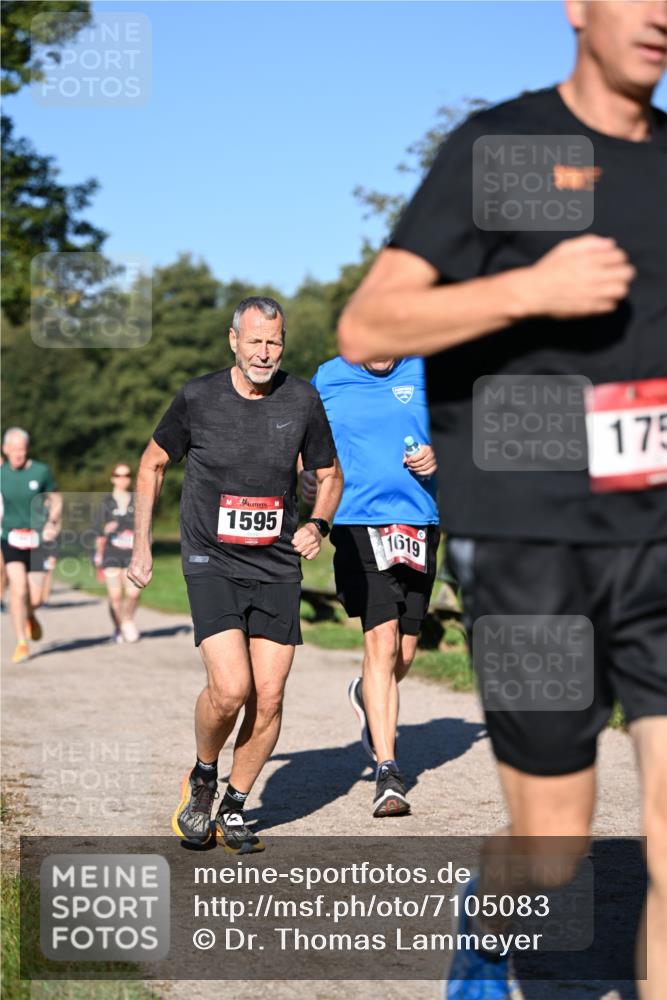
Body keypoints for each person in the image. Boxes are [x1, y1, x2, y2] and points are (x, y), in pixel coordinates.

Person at [338, 3, 666, 997]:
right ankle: (488, 930)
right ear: (576, 6)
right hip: (530, 541)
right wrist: (529, 289)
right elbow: (369, 327)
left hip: (660, 534)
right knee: (554, 848)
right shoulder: (510, 149)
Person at [128, 296, 342, 853]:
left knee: (268, 697)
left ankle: (237, 805)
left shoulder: (302, 399)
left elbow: (328, 473)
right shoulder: (198, 397)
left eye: (274, 342)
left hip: (275, 564)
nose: (265, 352)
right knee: (231, 689)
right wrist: (142, 545)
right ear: (233, 341)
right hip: (211, 559)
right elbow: (152, 463)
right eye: (255, 341)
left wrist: (318, 524)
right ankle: (203, 775)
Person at [303, 355, 439, 817]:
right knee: (380, 640)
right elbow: (307, 437)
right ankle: (388, 772)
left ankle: (367, 692)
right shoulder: (330, 376)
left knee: (403, 654)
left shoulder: (426, 370)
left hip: (418, 519)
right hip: (357, 519)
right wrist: (307, 476)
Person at [0, 428, 62, 663]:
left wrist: (52, 521)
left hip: (38, 540)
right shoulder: (1, 473)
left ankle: (31, 615)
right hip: (11, 538)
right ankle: (21, 643)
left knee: (36, 598)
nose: (18, 454)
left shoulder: (40, 471)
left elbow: (56, 499)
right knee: (19, 590)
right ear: (5, 450)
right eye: (14, 450)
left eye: (22, 449)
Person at [94, 464, 142, 643]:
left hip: (132, 555)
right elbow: (97, 531)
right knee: (115, 596)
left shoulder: (137, 500)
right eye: (119, 475)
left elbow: (146, 528)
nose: (123, 479)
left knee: (133, 594)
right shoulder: (106, 502)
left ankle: (127, 619)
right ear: (113, 478)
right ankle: (117, 627)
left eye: (126, 475)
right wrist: (98, 556)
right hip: (111, 554)